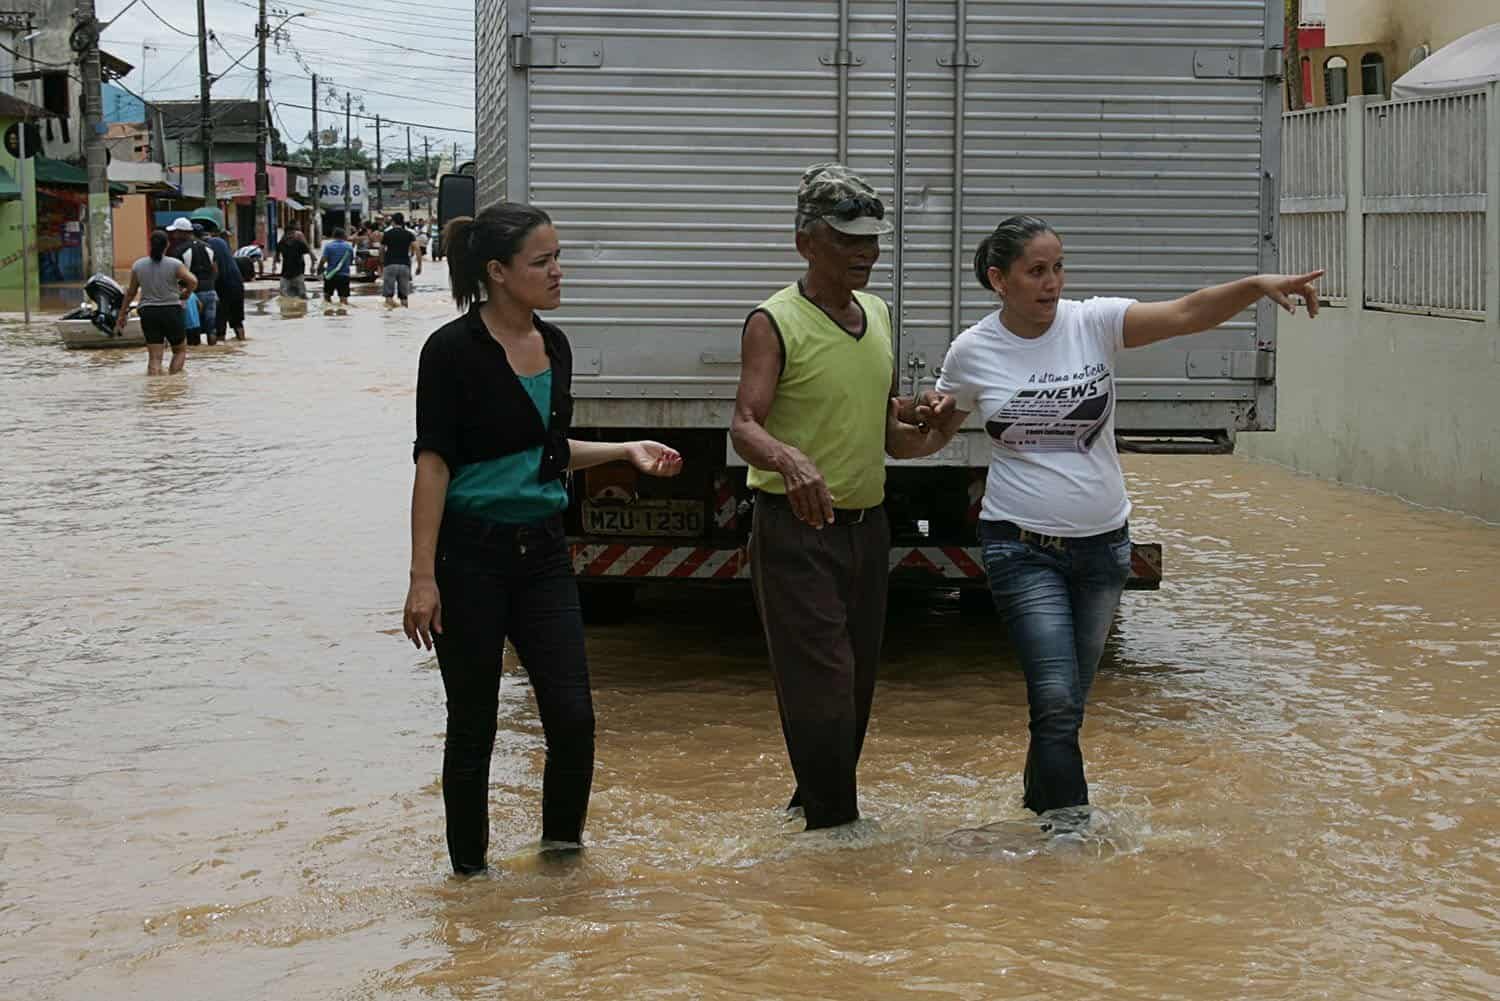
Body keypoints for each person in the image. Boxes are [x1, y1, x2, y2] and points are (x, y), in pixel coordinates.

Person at [909, 215, 1322, 820]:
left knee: (1067, 702)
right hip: (1019, 547)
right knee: (1054, 696)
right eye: (1036, 271)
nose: (1052, 283)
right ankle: (1070, 831)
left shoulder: (1093, 323)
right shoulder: (973, 351)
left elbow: (1187, 313)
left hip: (1103, 550)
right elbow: (929, 438)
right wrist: (916, 412)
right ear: (999, 280)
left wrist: (1256, 285)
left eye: (1058, 268)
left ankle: (1037, 805)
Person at [402, 202, 684, 875]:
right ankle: (470, 880)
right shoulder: (450, 351)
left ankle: (561, 862)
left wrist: (625, 451)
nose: (558, 271)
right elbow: (433, 464)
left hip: (544, 554)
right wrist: (422, 576)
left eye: (559, 258)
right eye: (542, 261)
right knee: (474, 725)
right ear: (497, 272)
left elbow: (546, 450)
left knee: (573, 717)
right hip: (468, 558)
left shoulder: (555, 346)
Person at [729, 164, 945, 832]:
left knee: (854, 686)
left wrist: (933, 424)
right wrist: (788, 458)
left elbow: (889, 432)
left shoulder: (876, 314)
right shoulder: (774, 321)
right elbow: (744, 425)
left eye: (872, 240)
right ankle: (837, 833)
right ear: (806, 243)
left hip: (867, 528)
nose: (865, 253)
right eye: (848, 239)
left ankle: (812, 812)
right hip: (795, 529)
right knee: (820, 684)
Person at [118, 229, 197, 375]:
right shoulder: (175, 264)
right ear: (167, 245)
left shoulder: (138, 265)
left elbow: (131, 293)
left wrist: (122, 314)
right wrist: (185, 295)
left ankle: (154, 386)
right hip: (171, 311)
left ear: (150, 245)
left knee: (154, 357)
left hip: (148, 312)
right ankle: (173, 383)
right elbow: (193, 281)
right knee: (179, 351)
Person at [196, 217, 247, 341]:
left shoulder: (205, 247)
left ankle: (220, 351)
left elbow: (214, 270)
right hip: (237, 284)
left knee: (219, 325)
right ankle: (242, 341)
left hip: (221, 287)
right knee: (237, 322)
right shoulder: (221, 242)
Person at [170, 219, 219, 345]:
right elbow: (215, 269)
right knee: (211, 328)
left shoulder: (179, 250)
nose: (173, 235)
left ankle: (196, 355)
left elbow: (176, 275)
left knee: (192, 329)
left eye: (176, 232)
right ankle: (213, 352)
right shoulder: (208, 247)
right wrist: (211, 283)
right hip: (209, 291)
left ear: (183, 232)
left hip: (190, 294)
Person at [380, 211, 420, 307]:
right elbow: (417, 249)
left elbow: (381, 249)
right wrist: (419, 266)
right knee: (404, 296)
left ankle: (390, 314)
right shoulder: (409, 234)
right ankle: (404, 312)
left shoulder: (387, 234)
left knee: (389, 295)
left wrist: (382, 262)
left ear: (393, 222)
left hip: (390, 264)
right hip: (405, 265)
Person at [318, 227, 356, 314]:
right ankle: (342, 315)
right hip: (344, 276)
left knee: (327, 298)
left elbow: (323, 260)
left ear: (333, 236)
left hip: (330, 275)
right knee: (343, 300)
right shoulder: (349, 247)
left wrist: (319, 269)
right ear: (343, 236)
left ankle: (328, 314)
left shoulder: (328, 246)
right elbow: (350, 261)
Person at [274, 228, 315, 299]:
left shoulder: (300, 244)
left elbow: (311, 254)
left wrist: (312, 266)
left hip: (298, 274)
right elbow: (276, 255)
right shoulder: (281, 244)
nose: (292, 236)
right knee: (283, 296)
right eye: (290, 234)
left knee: (302, 295)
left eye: (293, 234)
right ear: (285, 235)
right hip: (285, 275)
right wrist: (274, 264)